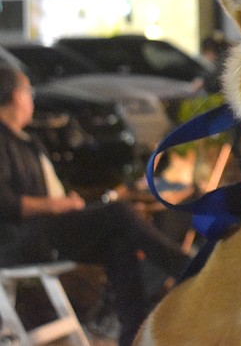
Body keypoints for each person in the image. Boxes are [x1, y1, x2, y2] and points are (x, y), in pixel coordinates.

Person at [0, 63, 191, 346]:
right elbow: (6, 204)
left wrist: (71, 203)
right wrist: (57, 205)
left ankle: (133, 334)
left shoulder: (27, 141)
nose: (31, 98)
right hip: (20, 242)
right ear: (12, 95)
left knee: (118, 239)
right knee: (118, 213)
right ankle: (186, 268)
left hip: (45, 233)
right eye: (27, 90)